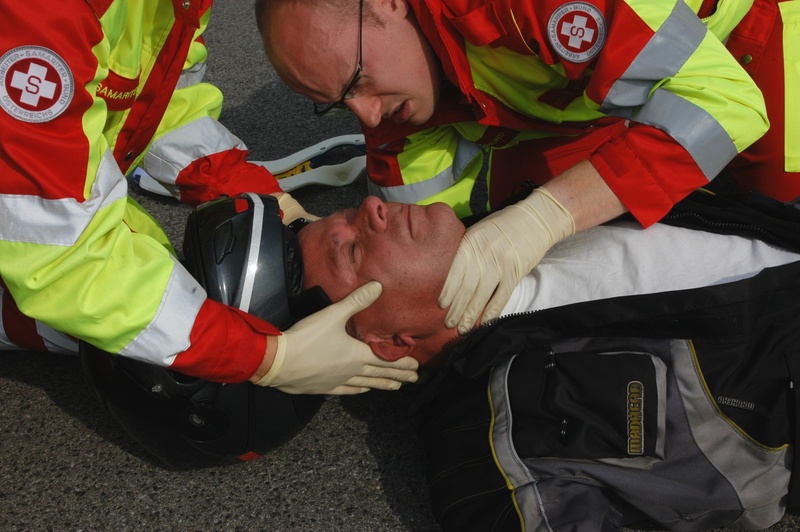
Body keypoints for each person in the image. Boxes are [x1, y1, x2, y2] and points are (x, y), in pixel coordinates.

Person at [256, 0, 795, 336]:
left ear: (391, 4)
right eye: (337, 103)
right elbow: (418, 229)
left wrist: (549, 215)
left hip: (749, 29)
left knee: (780, 224)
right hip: (578, 97)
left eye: (356, 82)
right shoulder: (388, 81)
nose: (367, 115)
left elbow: (724, 105)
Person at [294, 192, 800, 530]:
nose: (371, 204)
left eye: (344, 213)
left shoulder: (509, 220)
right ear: (390, 342)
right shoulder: (484, 442)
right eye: (354, 250)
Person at [0, 1, 418, 395]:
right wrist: (262, 356)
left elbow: (160, 106)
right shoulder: (46, 14)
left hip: (42, 203)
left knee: (140, 305)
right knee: (120, 317)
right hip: (38, 222)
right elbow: (57, 251)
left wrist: (266, 197)